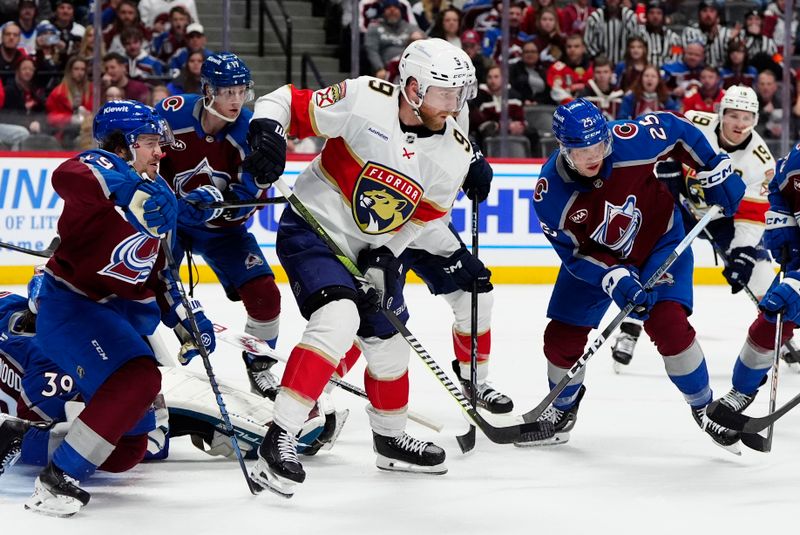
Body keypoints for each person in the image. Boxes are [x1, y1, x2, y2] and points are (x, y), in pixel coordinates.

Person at [244, 37, 475, 497]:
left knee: (389, 347)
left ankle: (389, 440)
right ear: (413, 87)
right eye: (445, 93)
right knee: (337, 319)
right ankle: (280, 436)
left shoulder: (455, 153)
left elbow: (425, 217)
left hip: (368, 254)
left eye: (460, 94)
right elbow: (284, 101)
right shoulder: (366, 97)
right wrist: (267, 131)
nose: (455, 105)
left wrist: (389, 252)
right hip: (312, 230)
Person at [23, 100, 214, 517]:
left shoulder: (160, 194)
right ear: (123, 146)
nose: (160, 152)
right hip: (72, 306)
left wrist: (185, 316)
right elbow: (69, 174)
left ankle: (30, 440)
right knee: (139, 378)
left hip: (114, 318)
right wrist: (126, 187)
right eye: (149, 143)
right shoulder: (96, 176)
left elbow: (161, 272)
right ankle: (56, 481)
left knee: (130, 447)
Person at [522, 98, 746, 452]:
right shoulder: (549, 196)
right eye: (582, 152)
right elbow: (574, 254)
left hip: (660, 244)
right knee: (561, 340)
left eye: (599, 145)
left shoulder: (630, 141)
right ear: (563, 150)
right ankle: (562, 410)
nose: (594, 156)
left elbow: (677, 130)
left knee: (670, 327)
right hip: (599, 263)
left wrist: (714, 168)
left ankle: (705, 407)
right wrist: (614, 277)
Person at [611, 86, 777, 374]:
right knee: (659, 263)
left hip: (725, 216)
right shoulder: (695, 122)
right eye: (733, 115)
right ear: (720, 114)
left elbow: (751, 216)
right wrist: (666, 169)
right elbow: (660, 138)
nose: (739, 124)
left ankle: (777, 333)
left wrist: (742, 253)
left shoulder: (760, 161)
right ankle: (630, 328)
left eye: (747, 117)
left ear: (756, 119)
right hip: (682, 206)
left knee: (758, 270)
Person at [156, 52, 283, 402]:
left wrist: (215, 212)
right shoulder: (171, 114)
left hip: (223, 233)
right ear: (208, 90)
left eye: (242, 91)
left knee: (266, 295)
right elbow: (144, 163)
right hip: (171, 225)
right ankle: (141, 357)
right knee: (147, 287)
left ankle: (260, 367)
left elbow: (247, 203)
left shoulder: (249, 134)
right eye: (228, 91)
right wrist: (169, 206)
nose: (236, 100)